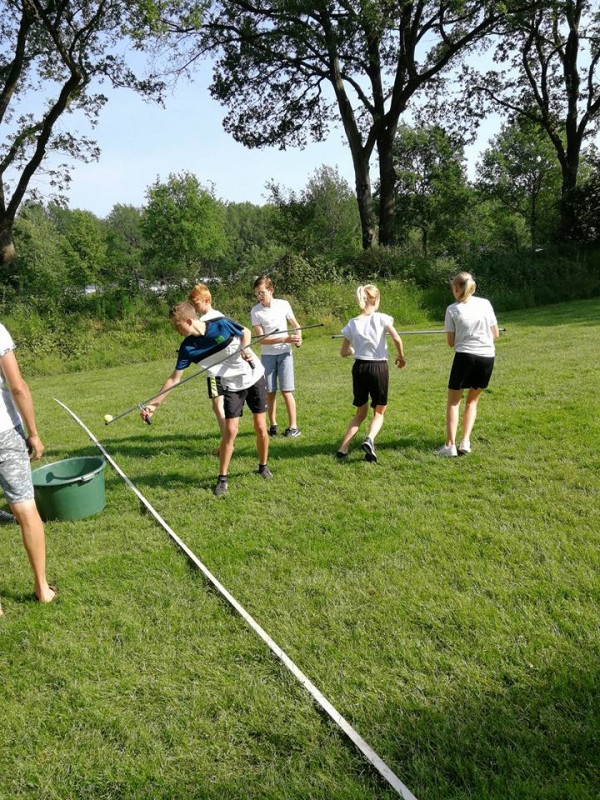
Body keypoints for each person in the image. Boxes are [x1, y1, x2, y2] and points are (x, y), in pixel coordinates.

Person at [140, 302, 271, 497]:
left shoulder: (221, 324)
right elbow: (174, 379)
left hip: (254, 375)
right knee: (231, 430)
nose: (176, 330)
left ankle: (262, 466)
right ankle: (222, 478)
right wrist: (154, 404)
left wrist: (244, 348)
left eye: (177, 325)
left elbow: (245, 331)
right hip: (232, 385)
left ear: (189, 321)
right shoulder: (188, 348)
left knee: (260, 426)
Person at [0, 323, 56, 616]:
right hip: (6, 432)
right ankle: (42, 588)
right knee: (25, 509)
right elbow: (17, 385)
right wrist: (33, 433)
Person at [336, 284, 405, 463]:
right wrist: (400, 356)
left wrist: (355, 350)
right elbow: (397, 338)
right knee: (379, 411)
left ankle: (343, 448)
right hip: (379, 368)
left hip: (359, 368)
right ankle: (370, 439)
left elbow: (343, 352)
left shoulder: (352, 323)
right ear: (376, 299)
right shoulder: (382, 318)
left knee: (360, 412)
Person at [435, 271, 499, 457]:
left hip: (465, 357)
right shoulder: (485, 303)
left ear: (456, 288)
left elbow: (450, 342)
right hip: (487, 357)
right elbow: (495, 334)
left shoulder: (452, 309)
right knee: (472, 401)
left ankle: (450, 446)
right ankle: (465, 443)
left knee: (454, 402)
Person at [250, 275, 302, 438]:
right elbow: (262, 339)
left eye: (262, 292)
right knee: (269, 392)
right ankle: (273, 424)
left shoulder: (283, 305)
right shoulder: (256, 311)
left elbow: (296, 325)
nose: (259, 296)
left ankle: (293, 427)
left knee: (286, 390)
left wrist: (298, 338)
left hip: (285, 353)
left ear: (271, 290)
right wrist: (285, 338)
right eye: (257, 294)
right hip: (268, 356)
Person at [188, 283, 226, 451]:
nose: (194, 308)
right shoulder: (220, 315)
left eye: (196, 303)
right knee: (220, 405)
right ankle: (227, 438)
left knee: (218, 406)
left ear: (206, 300)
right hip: (223, 368)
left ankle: (226, 442)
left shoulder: (204, 321)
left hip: (215, 371)